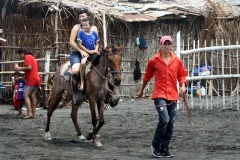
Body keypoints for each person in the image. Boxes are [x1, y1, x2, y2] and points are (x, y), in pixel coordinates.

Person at [137, 36, 187, 158]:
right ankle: (155, 145)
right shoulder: (153, 61)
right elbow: (147, 77)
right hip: (159, 94)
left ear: (171, 45)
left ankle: (165, 147)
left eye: (169, 43)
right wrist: (141, 90)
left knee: (171, 122)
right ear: (160, 45)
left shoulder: (176, 61)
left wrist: (183, 85)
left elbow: (182, 75)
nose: (167, 46)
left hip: (173, 94)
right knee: (164, 120)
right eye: (164, 43)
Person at [69, 8, 98, 103]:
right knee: (76, 70)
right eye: (80, 16)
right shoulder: (76, 28)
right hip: (77, 53)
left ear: (88, 17)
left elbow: (96, 41)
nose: (81, 18)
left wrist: (95, 50)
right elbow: (72, 42)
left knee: (104, 64)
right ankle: (78, 91)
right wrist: (81, 51)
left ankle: (107, 90)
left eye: (83, 16)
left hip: (91, 52)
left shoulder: (94, 28)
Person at [14, 48, 41, 119]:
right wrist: (24, 77)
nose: (20, 56)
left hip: (31, 80)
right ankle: (34, 114)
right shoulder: (32, 57)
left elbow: (29, 67)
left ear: (22, 53)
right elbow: (31, 70)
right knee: (32, 96)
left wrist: (18, 68)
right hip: (36, 79)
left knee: (25, 95)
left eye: (20, 54)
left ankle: (30, 114)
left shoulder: (27, 57)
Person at [77, 17, 99, 91]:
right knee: (83, 63)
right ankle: (82, 82)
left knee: (103, 61)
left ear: (91, 25)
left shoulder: (94, 34)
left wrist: (96, 49)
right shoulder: (81, 34)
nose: (84, 27)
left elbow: (97, 43)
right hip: (86, 53)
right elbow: (80, 44)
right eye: (83, 25)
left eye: (86, 25)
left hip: (94, 52)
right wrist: (88, 51)